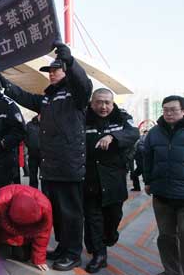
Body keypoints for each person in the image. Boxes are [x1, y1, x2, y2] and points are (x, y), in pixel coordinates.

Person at [0, 42, 93, 270]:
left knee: (71, 213)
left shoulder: (75, 95)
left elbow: (84, 84)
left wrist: (70, 60)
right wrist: (5, 85)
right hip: (50, 167)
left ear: (65, 71)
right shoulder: (47, 99)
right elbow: (25, 97)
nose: (51, 74)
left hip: (69, 166)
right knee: (56, 211)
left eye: (55, 70)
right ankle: (62, 246)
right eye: (49, 71)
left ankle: (72, 252)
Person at [83, 88, 139, 273]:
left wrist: (113, 136)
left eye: (107, 102)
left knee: (113, 216)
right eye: (99, 102)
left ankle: (110, 236)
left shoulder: (121, 117)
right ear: (92, 102)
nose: (103, 106)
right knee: (94, 218)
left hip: (114, 177)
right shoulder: (82, 116)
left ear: (113, 103)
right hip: (90, 178)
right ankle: (100, 255)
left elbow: (134, 133)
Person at [144, 95, 184, 275]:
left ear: (183, 110)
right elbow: (147, 158)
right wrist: (148, 181)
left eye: (173, 109)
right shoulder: (154, 132)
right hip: (162, 195)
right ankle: (171, 271)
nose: (168, 113)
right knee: (166, 237)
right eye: (165, 109)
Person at [0, 184, 52, 272]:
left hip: (27, 235)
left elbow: (43, 234)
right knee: (0, 256)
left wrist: (39, 259)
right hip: (5, 234)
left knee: (23, 257)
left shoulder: (45, 207)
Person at [25, 115, 41, 188]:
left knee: (45, 177)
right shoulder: (29, 125)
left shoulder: (47, 123)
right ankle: (33, 193)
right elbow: (25, 136)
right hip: (32, 154)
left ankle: (46, 195)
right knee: (32, 176)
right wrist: (29, 145)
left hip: (44, 155)